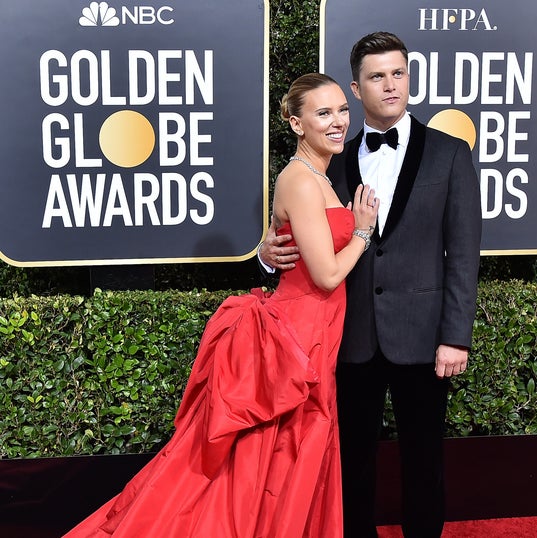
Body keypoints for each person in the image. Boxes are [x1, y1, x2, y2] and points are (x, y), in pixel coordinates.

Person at [63, 73, 378, 538]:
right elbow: (328, 274)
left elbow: (298, 253)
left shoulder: (322, 177)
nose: (338, 122)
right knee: (273, 452)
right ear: (295, 123)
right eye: (323, 113)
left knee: (288, 454)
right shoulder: (301, 181)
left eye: (342, 110)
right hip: (297, 337)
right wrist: (363, 231)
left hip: (319, 332)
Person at [259, 32, 482, 538]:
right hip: (345, 335)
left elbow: (464, 253)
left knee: (423, 458)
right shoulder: (331, 155)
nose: (390, 86)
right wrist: (264, 255)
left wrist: (456, 335)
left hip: (424, 336)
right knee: (349, 460)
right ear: (356, 90)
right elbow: (293, 230)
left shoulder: (450, 154)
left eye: (398, 74)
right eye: (377, 77)